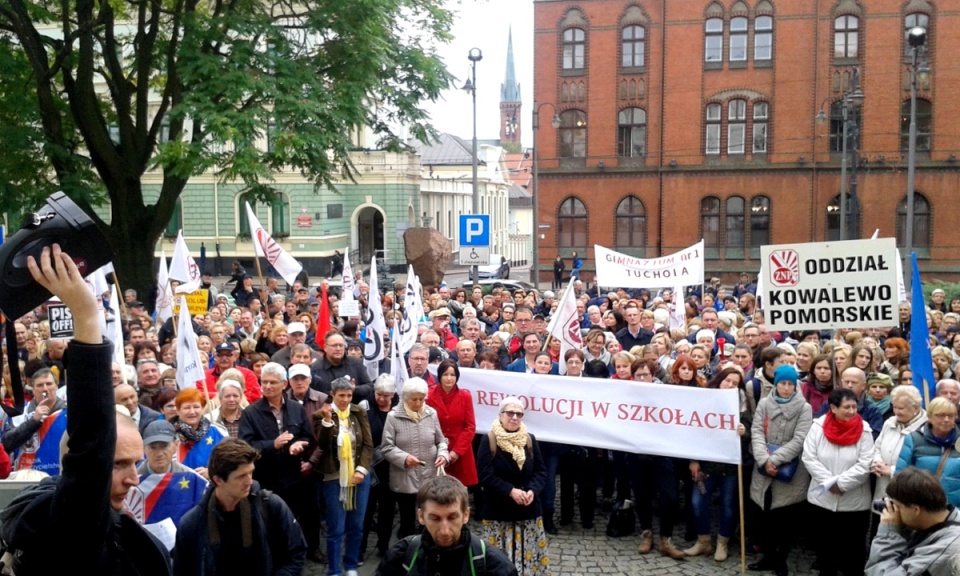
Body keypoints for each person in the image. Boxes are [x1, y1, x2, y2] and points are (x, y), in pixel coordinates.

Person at [0, 244, 170, 574]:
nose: (135, 479)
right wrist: (87, 315)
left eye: (135, 463)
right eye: (119, 463)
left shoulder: (112, 528)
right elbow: (91, 447)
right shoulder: (68, 527)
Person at [174, 438, 307, 576]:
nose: (249, 481)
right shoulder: (192, 524)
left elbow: (296, 553)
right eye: (241, 476)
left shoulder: (271, 506)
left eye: (251, 472)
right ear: (218, 480)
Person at [376, 475, 518, 576]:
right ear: (421, 516)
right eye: (435, 519)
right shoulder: (400, 558)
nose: (444, 530)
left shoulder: (494, 565)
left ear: (466, 515)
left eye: (452, 517)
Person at [802, 388, 875, 576]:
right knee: (825, 550)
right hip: (822, 501)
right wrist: (829, 483)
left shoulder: (865, 430)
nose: (852, 411)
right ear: (833, 408)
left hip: (854, 505)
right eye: (846, 407)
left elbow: (865, 463)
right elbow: (809, 458)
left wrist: (841, 484)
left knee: (853, 553)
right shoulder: (817, 427)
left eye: (854, 407)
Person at [476, 396, 551, 576]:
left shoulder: (529, 439)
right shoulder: (489, 440)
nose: (514, 417)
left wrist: (533, 490)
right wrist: (510, 491)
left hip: (528, 512)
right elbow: (485, 475)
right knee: (500, 563)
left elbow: (541, 471)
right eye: (510, 413)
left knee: (529, 560)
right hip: (499, 513)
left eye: (519, 414)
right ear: (500, 415)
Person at [749, 364, 812, 576]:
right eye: (782, 383)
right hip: (763, 467)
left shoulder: (804, 408)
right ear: (776, 384)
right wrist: (763, 459)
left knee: (785, 520)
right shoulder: (765, 403)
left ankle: (780, 560)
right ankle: (767, 556)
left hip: (790, 470)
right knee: (764, 516)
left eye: (790, 384)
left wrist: (775, 459)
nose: (786, 388)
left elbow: (800, 438)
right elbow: (757, 430)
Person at [684, 366, 749, 562]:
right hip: (707, 465)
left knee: (728, 505)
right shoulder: (705, 400)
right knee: (698, 502)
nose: (730, 385)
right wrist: (693, 460)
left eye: (735, 383)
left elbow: (749, 434)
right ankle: (703, 542)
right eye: (727, 381)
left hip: (730, 466)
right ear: (720, 380)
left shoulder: (743, 405)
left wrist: (743, 431)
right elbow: (693, 431)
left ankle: (722, 542)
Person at [316, 376, 374, 576]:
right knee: (336, 527)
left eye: (349, 395)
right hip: (334, 477)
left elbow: (368, 445)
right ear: (332, 395)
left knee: (357, 525)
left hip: (359, 476)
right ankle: (333, 569)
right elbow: (322, 445)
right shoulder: (321, 414)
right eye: (341, 395)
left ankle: (350, 565)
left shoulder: (359, 413)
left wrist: (361, 470)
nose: (346, 400)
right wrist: (327, 421)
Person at [381, 377, 449, 539]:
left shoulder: (431, 414)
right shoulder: (393, 417)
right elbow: (386, 447)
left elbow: (441, 441)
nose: (418, 403)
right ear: (405, 398)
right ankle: (408, 551)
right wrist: (404, 458)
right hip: (404, 476)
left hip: (429, 475)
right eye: (414, 399)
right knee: (407, 520)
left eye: (421, 399)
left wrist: (442, 454)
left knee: (429, 515)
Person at [866, 467, 960, 576]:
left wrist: (889, 534)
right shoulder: (940, 522)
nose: (894, 511)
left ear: (916, 510)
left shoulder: (946, 549)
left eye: (897, 506)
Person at [872, 386, 928, 528]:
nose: (896, 412)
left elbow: (923, 465)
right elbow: (877, 446)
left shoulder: (926, 430)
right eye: (895, 407)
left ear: (915, 408)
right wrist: (877, 462)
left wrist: (891, 470)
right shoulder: (889, 423)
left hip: (907, 496)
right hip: (882, 489)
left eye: (901, 408)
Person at [896, 397, 960, 508]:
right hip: (922, 510)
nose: (946, 420)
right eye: (940, 415)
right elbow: (900, 477)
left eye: (950, 416)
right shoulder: (914, 439)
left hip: (955, 511)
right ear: (929, 417)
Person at [362, 374, 399, 558]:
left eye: (386, 395)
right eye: (379, 394)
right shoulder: (365, 407)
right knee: (366, 509)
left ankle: (383, 544)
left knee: (387, 509)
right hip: (370, 466)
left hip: (391, 467)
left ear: (393, 394)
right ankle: (360, 548)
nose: (382, 399)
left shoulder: (400, 408)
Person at [426, 360, 478, 489]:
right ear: (439, 376)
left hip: (460, 449)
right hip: (436, 448)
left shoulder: (465, 396)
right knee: (436, 489)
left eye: (452, 375)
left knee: (458, 489)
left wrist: (456, 452)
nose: (449, 378)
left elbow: (470, 426)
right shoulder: (429, 394)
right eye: (445, 374)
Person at [170, 388, 228, 478]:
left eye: (196, 407)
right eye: (187, 408)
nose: (192, 412)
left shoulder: (217, 431)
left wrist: (212, 473)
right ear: (177, 411)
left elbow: (229, 460)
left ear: (202, 408)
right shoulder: (169, 434)